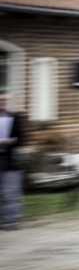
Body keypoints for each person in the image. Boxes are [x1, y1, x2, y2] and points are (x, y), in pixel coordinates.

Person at [0, 93, 23, 230]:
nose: (2, 102)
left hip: (10, 159)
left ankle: (12, 220)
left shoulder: (14, 117)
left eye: (4, 100)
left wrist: (10, 141)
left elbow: (21, 138)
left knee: (11, 191)